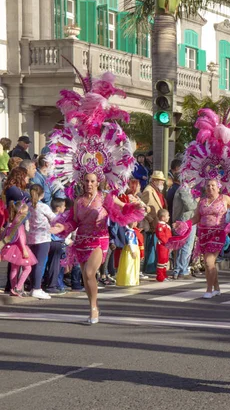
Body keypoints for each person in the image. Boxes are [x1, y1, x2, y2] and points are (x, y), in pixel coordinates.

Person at [47, 71, 145, 324]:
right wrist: (61, 225)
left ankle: (93, 309)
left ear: (99, 180)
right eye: (86, 181)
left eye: (93, 181)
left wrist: (133, 207)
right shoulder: (77, 202)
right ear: (82, 181)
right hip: (81, 241)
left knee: (90, 273)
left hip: (99, 241)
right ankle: (93, 306)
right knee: (87, 277)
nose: (90, 184)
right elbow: (72, 222)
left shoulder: (107, 198)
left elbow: (120, 213)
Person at [170, 107, 230, 297]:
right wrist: (185, 224)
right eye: (209, 185)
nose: (211, 188)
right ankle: (217, 288)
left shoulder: (225, 198)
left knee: (209, 262)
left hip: (218, 234)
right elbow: (196, 217)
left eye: (214, 185)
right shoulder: (202, 200)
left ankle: (209, 289)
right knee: (208, 262)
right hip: (203, 234)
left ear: (219, 186)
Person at [26, 184, 56, 300]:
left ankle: (33, 287)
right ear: (42, 194)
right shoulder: (43, 207)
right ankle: (37, 288)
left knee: (33, 264)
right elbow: (54, 218)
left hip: (31, 238)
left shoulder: (28, 206)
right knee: (40, 263)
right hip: (43, 238)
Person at [1, 201, 35, 297]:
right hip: (20, 247)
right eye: (26, 211)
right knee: (28, 268)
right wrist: (24, 249)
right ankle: (18, 288)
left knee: (14, 269)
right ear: (21, 211)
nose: (27, 213)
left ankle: (13, 289)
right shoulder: (19, 223)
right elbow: (21, 237)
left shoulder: (12, 221)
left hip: (12, 247)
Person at [141, 171, 167, 276]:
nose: (162, 183)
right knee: (151, 245)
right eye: (160, 181)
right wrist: (150, 219)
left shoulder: (157, 191)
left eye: (162, 181)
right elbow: (143, 208)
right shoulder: (148, 190)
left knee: (155, 246)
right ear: (154, 180)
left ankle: (153, 266)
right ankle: (149, 268)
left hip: (158, 223)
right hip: (152, 223)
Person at [171, 179, 197, 279]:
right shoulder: (184, 190)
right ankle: (182, 270)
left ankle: (178, 270)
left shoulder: (185, 189)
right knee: (186, 246)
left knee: (182, 246)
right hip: (186, 220)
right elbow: (190, 205)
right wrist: (197, 201)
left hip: (185, 220)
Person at [44, 197, 68, 294]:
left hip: (48, 241)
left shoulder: (49, 217)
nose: (65, 208)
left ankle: (47, 283)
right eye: (63, 206)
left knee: (47, 264)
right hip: (57, 242)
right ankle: (52, 286)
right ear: (58, 208)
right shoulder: (58, 218)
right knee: (55, 265)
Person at [116, 221, 141, 287]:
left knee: (133, 264)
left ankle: (132, 279)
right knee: (130, 264)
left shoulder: (131, 230)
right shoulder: (129, 231)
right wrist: (133, 251)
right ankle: (129, 279)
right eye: (135, 222)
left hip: (134, 248)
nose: (136, 223)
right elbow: (130, 241)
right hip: (130, 249)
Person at [155, 209, 172, 282]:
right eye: (167, 216)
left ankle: (164, 275)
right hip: (162, 246)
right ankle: (160, 276)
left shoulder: (166, 226)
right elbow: (161, 236)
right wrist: (167, 242)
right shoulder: (160, 226)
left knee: (165, 260)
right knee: (161, 261)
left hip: (166, 246)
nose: (169, 217)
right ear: (162, 217)